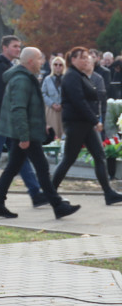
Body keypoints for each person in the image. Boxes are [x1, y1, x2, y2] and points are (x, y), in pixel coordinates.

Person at [0, 48, 81, 219]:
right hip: (25, 134)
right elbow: (19, 109)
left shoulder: (25, 78)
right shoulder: (21, 80)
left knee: (13, 168)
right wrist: (24, 136)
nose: (42, 62)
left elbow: (29, 108)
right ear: (30, 61)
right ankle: (58, 205)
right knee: (41, 168)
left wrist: (42, 124)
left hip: (26, 132)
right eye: (39, 59)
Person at [0, 36, 47, 210]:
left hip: (6, 121)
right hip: (2, 122)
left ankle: (36, 192)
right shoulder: (0, 68)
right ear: (4, 48)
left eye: (19, 47)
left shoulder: (6, 67)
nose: (17, 50)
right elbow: (3, 99)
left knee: (19, 157)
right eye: (14, 46)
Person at [51, 47, 122, 205]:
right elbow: (79, 102)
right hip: (76, 123)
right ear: (73, 60)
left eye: (87, 57)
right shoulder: (71, 77)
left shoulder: (80, 75)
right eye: (82, 57)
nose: (86, 59)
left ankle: (109, 193)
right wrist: (95, 121)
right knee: (69, 159)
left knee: (99, 156)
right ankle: (50, 192)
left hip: (84, 123)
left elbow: (91, 98)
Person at [41, 56, 65, 140]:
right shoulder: (47, 79)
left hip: (63, 109)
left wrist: (62, 104)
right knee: (52, 132)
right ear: (52, 66)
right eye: (55, 64)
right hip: (51, 109)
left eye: (60, 64)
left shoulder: (66, 79)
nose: (58, 66)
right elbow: (43, 93)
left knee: (63, 132)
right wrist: (52, 104)